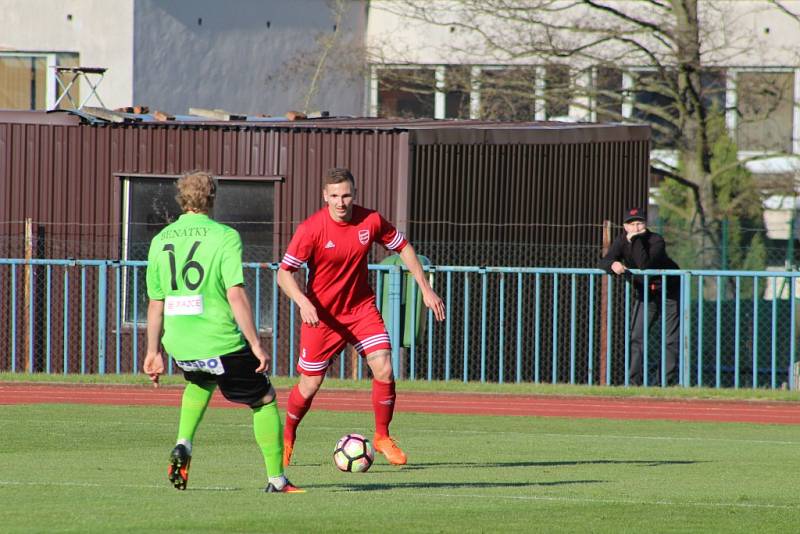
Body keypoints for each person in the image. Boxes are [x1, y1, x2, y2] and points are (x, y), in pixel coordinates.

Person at [143, 171, 303, 493]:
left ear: (181, 199)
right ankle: (277, 479)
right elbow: (235, 294)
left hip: (180, 343)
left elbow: (155, 303)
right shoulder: (225, 236)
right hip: (219, 340)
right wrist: (256, 343)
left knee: (201, 380)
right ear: (212, 197)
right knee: (265, 399)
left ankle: (184, 443)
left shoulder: (160, 240)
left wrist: (152, 352)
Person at [277, 167, 446, 467]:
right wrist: (303, 301)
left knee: (383, 365)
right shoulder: (311, 229)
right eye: (334, 196)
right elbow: (284, 273)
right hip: (323, 316)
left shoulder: (371, 220)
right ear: (324, 196)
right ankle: (288, 434)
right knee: (310, 385)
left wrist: (425, 289)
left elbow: (403, 247)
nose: (341, 202)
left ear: (354, 194)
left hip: (360, 309)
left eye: (346, 195)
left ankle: (382, 436)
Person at [598, 207, 680, 386]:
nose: (636, 227)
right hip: (645, 294)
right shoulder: (621, 240)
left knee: (670, 339)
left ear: (645, 224)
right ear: (625, 226)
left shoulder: (656, 240)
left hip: (668, 292)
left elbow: (644, 264)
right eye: (631, 224)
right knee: (637, 336)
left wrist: (635, 240)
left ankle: (664, 383)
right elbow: (603, 260)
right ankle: (633, 382)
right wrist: (613, 264)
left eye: (639, 223)